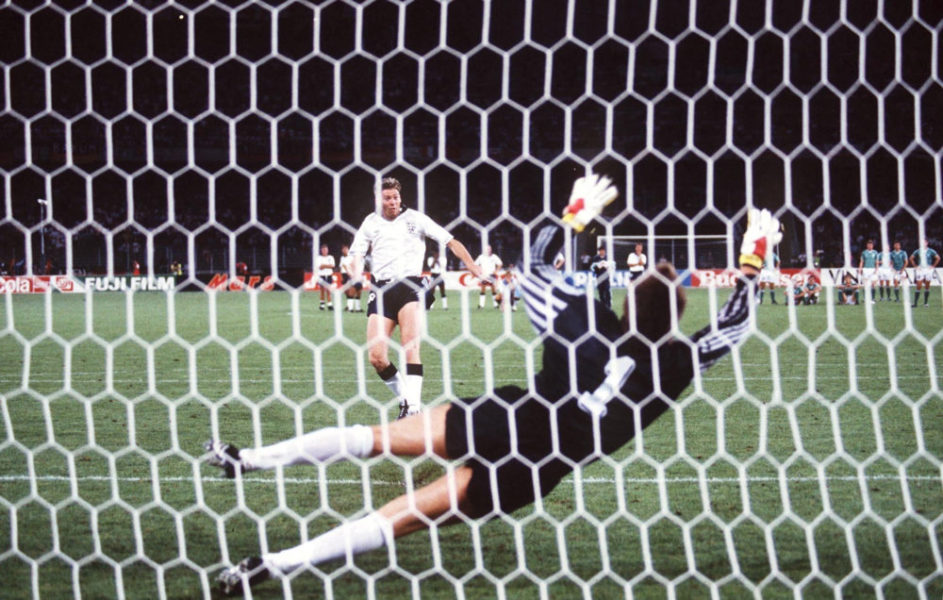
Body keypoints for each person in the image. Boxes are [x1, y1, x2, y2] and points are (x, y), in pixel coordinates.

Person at [206, 176, 781, 596]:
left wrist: (572, 220)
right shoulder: (675, 366)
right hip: (538, 467)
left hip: (507, 416)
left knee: (374, 436)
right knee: (400, 515)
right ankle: (274, 567)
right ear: (674, 324)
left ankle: (248, 460)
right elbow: (729, 328)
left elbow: (533, 268)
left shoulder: (583, 322)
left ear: (628, 305)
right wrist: (753, 263)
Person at [348, 177, 483, 419]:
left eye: (396, 197)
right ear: (378, 199)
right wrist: (355, 272)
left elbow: (450, 241)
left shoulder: (416, 219)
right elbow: (355, 255)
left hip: (411, 285)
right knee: (377, 357)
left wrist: (471, 265)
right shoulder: (370, 223)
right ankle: (406, 401)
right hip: (380, 289)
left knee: (410, 344)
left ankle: (413, 409)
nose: (393, 202)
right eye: (388, 198)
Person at [910, 239, 940, 308]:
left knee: (927, 286)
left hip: (928, 270)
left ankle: (926, 303)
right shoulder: (918, 251)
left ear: (927, 243)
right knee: (918, 286)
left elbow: (938, 258)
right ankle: (915, 304)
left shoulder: (931, 251)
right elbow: (911, 258)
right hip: (920, 269)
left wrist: (933, 266)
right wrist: (916, 266)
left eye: (924, 242)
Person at [339, 245, 363, 312]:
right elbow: (345, 266)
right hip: (351, 277)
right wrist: (350, 273)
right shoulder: (349, 258)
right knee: (350, 292)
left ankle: (358, 308)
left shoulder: (360, 259)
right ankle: (350, 308)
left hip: (359, 277)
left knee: (358, 291)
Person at [858, 239, 878, 304]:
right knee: (865, 284)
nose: (870, 246)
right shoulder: (864, 252)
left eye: (871, 244)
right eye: (869, 244)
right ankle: (865, 298)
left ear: (873, 245)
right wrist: (860, 269)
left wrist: (876, 269)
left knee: (873, 284)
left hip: (873, 269)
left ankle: (872, 298)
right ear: (867, 245)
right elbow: (862, 262)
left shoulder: (875, 252)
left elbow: (876, 262)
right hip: (866, 269)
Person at [316, 245, 336, 310]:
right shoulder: (319, 258)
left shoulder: (331, 257)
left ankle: (330, 304)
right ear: (321, 251)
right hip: (322, 275)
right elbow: (320, 267)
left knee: (328, 290)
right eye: (323, 250)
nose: (325, 251)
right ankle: (322, 305)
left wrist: (324, 265)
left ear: (328, 250)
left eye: (326, 250)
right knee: (322, 290)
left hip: (329, 275)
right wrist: (328, 265)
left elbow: (332, 266)